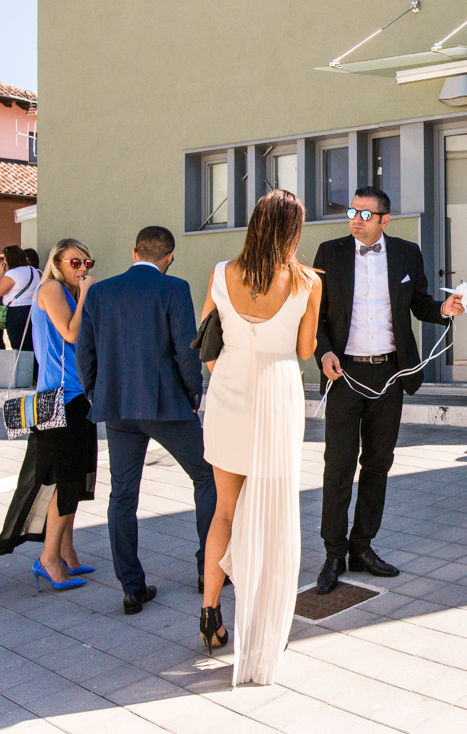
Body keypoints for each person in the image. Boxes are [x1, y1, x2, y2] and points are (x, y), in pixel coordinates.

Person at [314, 186, 464, 594]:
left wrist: (443, 310)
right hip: (344, 376)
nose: (356, 220)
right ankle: (333, 553)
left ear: (385, 219)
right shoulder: (329, 253)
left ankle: (362, 547)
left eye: (366, 214)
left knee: (378, 463)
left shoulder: (406, 253)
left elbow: (419, 303)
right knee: (338, 465)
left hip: (390, 374)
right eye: (353, 212)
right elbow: (317, 318)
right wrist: (324, 354)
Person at [198, 189, 321, 684]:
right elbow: (307, 348)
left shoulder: (222, 271)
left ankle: (210, 613)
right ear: (293, 230)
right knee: (272, 516)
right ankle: (264, 625)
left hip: (228, 390)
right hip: (277, 394)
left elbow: (206, 335)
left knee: (225, 511)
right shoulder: (307, 282)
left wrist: (227, 365)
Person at [76, 226, 217, 615]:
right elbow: (187, 350)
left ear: (133, 251)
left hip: (117, 406)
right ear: (168, 257)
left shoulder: (100, 291)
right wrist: (193, 394)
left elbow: (84, 351)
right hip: (165, 405)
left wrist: (95, 392)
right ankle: (209, 570)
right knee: (207, 477)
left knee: (122, 495)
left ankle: (131, 588)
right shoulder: (173, 289)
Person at [0, 239, 98, 589]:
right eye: (76, 262)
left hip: (77, 396)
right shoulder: (52, 288)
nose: (83, 269)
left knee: (76, 476)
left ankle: (66, 553)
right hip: (60, 398)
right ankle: (49, 559)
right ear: (57, 262)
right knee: (65, 479)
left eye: (88, 263)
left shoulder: (68, 292)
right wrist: (86, 294)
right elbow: (70, 332)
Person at [0, 246, 40, 354]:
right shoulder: (33, 271)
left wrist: (1, 274)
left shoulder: (12, 274)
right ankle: (33, 369)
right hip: (31, 310)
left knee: (18, 346)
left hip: (15, 312)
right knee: (30, 345)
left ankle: (22, 369)